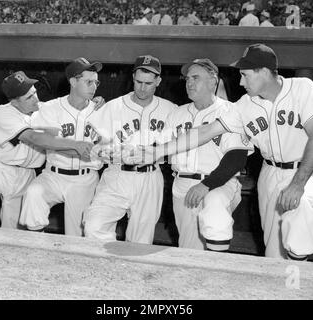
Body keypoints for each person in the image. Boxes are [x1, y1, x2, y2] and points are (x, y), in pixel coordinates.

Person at [127, 44, 313, 261]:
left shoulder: (302, 88)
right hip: (270, 173)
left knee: (299, 212)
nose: (241, 81)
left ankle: (297, 276)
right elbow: (206, 131)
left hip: (305, 170)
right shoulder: (244, 105)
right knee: (274, 253)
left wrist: (298, 183)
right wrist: (157, 151)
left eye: (245, 75)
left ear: (263, 71)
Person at [0, 71, 89, 228]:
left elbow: (71, 104)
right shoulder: (4, 113)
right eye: (28, 97)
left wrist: (93, 102)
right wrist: (74, 145)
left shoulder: (44, 108)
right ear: (15, 102)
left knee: (14, 229)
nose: (36, 100)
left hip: (26, 174)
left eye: (34, 93)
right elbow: (33, 137)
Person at [84, 55, 177, 244]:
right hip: (117, 175)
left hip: (150, 178)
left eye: (149, 83)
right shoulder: (112, 107)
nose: (142, 88)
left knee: (140, 242)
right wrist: (107, 152)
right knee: (94, 226)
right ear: (133, 78)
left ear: (158, 81)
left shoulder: (171, 110)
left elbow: (180, 146)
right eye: (139, 81)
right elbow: (95, 146)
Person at [163, 58, 253, 251]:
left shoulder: (230, 111)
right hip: (182, 185)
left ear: (213, 81)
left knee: (214, 235)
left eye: (196, 77)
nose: (189, 82)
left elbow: (237, 158)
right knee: (188, 248)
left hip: (218, 184)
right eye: (187, 78)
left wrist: (206, 185)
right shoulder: (176, 114)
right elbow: (161, 150)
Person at [19, 58, 104, 236]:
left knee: (77, 234)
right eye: (88, 82)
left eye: (96, 82)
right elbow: (44, 139)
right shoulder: (50, 108)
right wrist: (78, 149)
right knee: (34, 193)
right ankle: (35, 248)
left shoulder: (102, 110)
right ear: (73, 81)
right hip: (53, 175)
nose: (94, 86)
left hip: (85, 179)